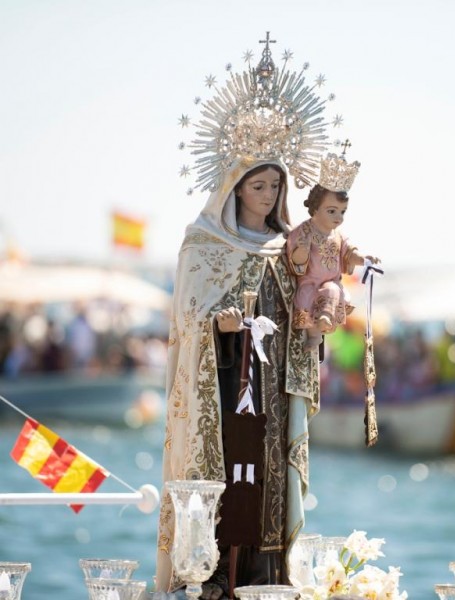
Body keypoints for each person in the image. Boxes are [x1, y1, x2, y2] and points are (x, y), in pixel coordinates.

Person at [155, 157, 319, 599]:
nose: (268, 196)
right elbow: (188, 323)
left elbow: (299, 314)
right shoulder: (203, 244)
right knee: (225, 473)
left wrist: (317, 320)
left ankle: (267, 575)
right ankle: (212, 575)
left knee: (268, 477)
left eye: (275, 187)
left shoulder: (289, 248)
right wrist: (219, 328)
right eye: (259, 186)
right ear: (236, 189)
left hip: (274, 391)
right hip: (223, 390)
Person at [286, 151, 379, 351]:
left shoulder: (338, 235)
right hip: (309, 283)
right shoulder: (303, 231)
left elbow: (349, 253)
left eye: (342, 212)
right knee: (305, 298)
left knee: (332, 290)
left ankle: (324, 320)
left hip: (331, 283)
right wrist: (302, 250)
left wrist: (363, 259)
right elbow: (295, 261)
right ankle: (314, 333)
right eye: (332, 211)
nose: (338, 217)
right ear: (315, 208)